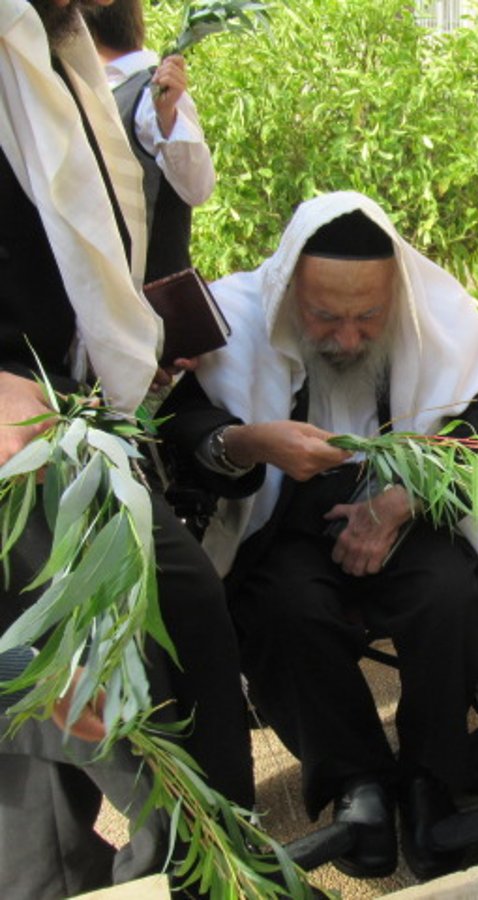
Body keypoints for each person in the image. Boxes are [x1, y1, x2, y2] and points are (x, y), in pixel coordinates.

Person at [163, 191, 478, 880]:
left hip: (409, 509)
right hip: (279, 520)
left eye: (369, 318)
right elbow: (178, 426)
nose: (349, 339)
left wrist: (401, 501)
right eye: (324, 317)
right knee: (281, 610)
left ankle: (431, 780)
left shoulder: (437, 311)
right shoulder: (233, 316)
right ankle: (357, 784)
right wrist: (248, 442)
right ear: (285, 292)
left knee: (449, 594)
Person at [0, 0, 258, 896]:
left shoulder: (53, 46)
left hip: (71, 413)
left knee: (180, 627)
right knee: (76, 700)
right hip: (14, 427)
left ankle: (213, 875)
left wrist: (115, 349)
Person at [85, 0, 215, 282]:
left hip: (155, 298)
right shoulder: (96, 92)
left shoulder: (150, 95)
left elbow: (198, 188)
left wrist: (167, 117)